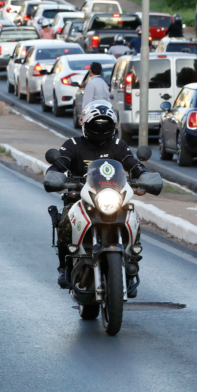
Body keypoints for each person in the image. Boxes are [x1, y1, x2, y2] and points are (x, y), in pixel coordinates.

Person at [46, 101, 146, 295]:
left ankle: (131, 261)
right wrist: (54, 175)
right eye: (96, 125)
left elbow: (134, 165)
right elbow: (59, 165)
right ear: (85, 125)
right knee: (66, 222)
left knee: (134, 220)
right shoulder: (73, 144)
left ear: (113, 126)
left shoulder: (119, 145)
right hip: (79, 199)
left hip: (113, 200)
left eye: (106, 125)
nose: (100, 129)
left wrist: (143, 175)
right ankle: (63, 267)